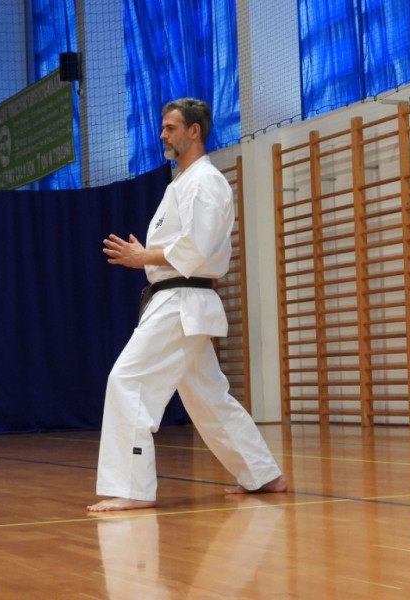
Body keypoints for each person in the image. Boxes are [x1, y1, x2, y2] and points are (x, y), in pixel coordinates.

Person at [87, 98, 287, 512]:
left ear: (194, 131)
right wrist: (147, 257)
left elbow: (198, 246)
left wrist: (144, 256)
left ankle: (132, 488)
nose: (163, 134)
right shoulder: (180, 184)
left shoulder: (205, 181)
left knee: (127, 380)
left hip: (183, 299)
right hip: (176, 299)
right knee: (208, 397)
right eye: (163, 127)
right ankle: (263, 473)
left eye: (171, 127)